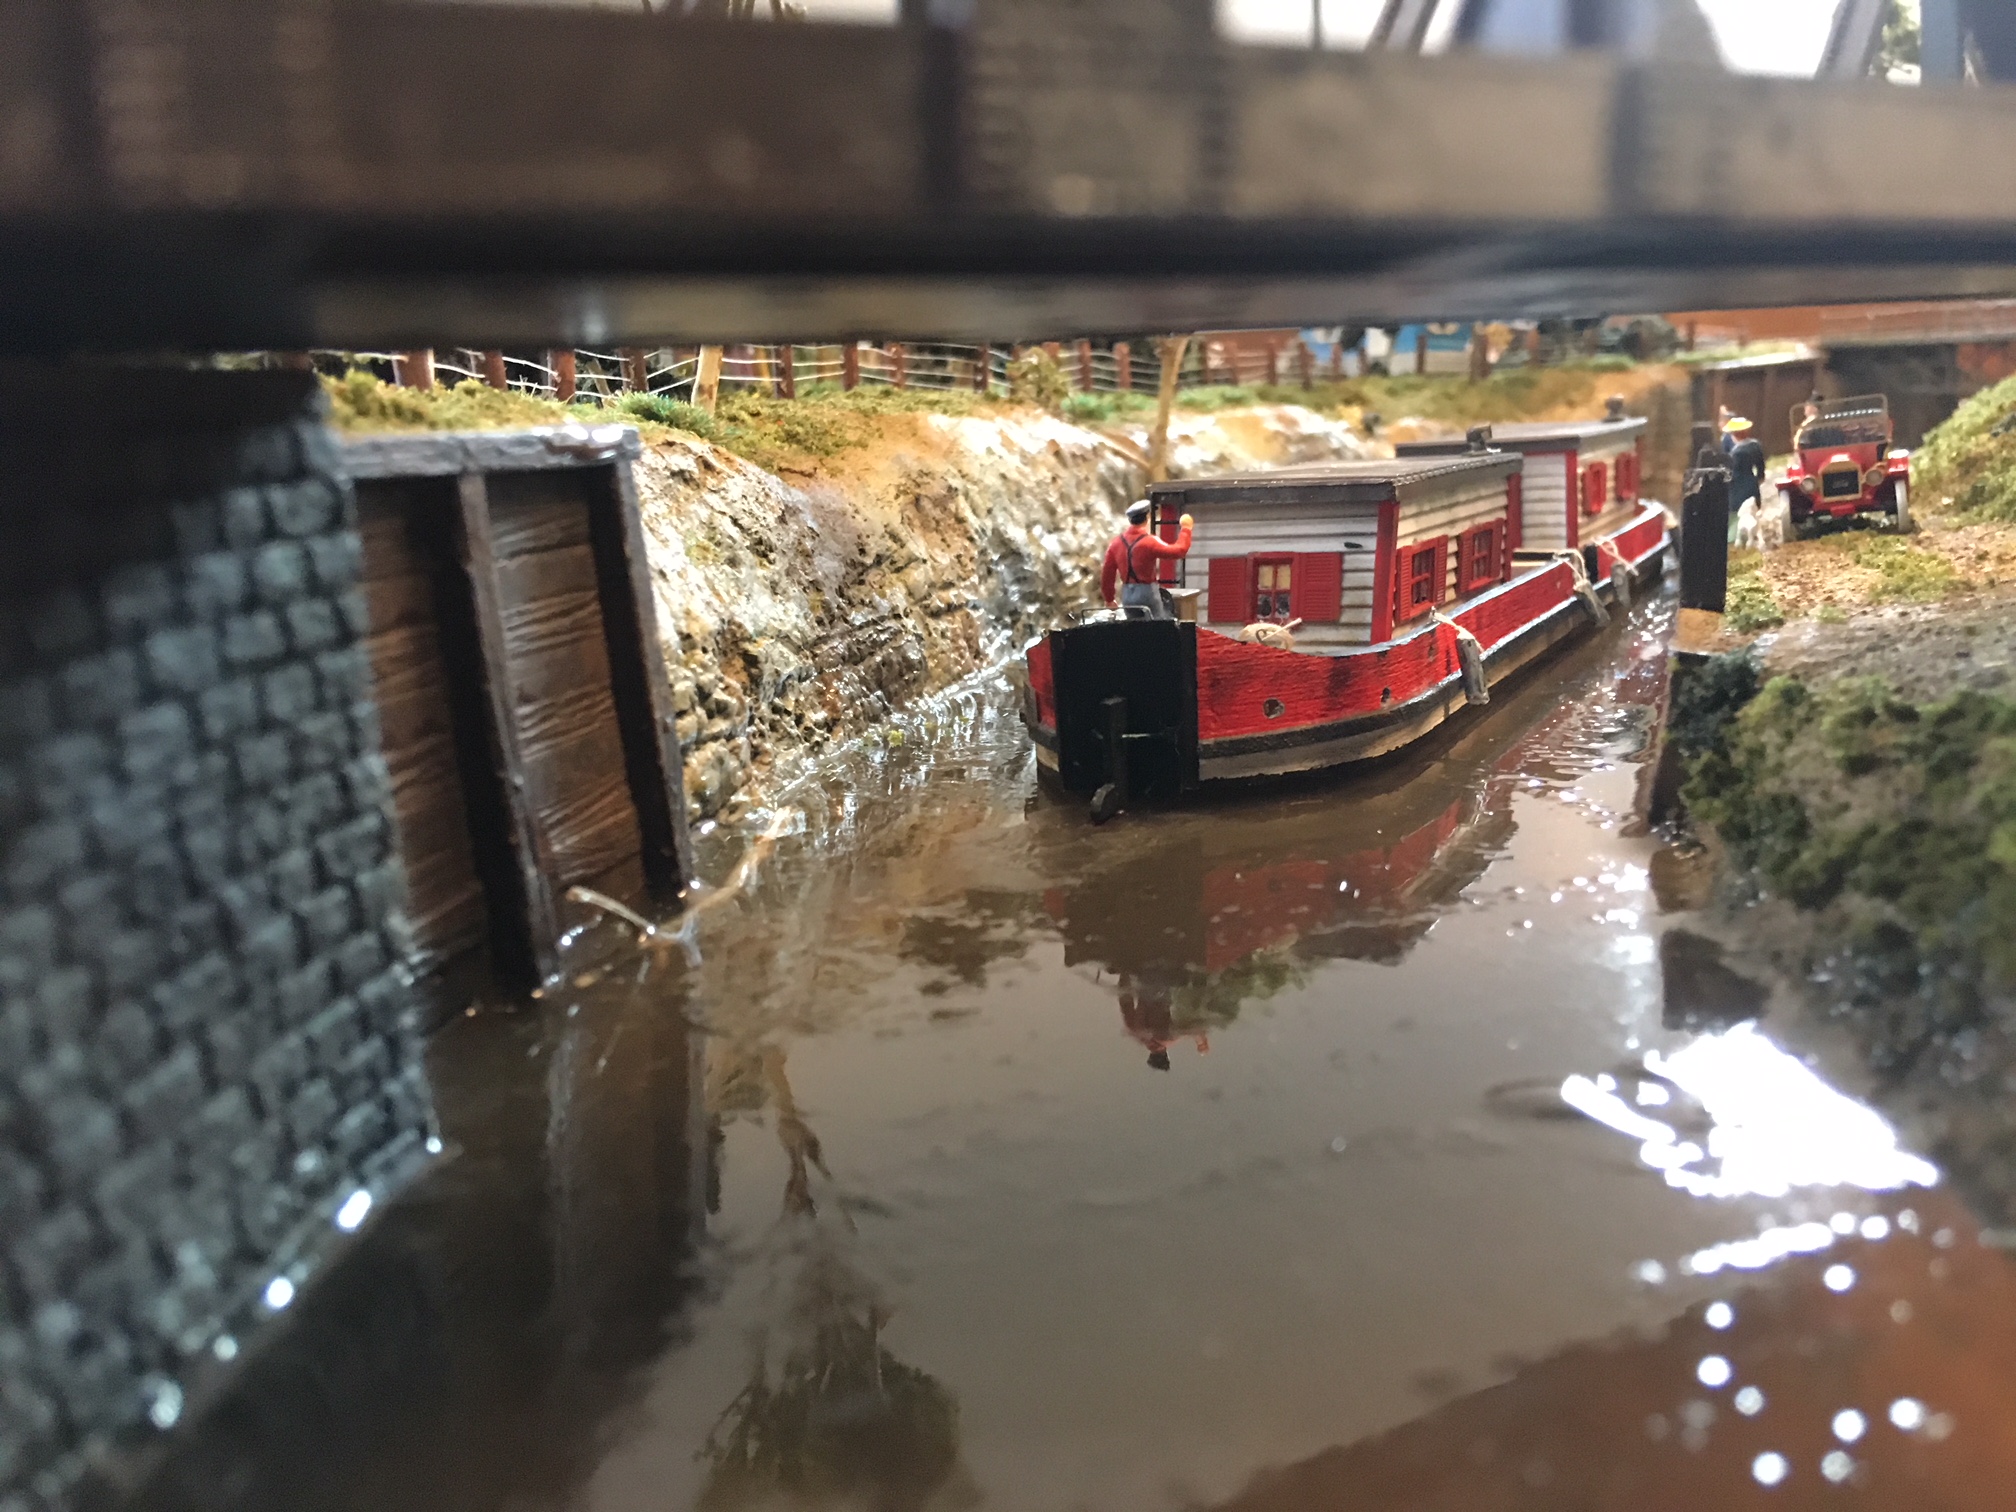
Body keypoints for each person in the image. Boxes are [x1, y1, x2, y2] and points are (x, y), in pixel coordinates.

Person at [1100, 499, 1194, 620]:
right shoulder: (1149, 541)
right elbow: (1179, 551)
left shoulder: (1116, 543)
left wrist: (1109, 599)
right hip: (1147, 592)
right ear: (1147, 517)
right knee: (1158, 625)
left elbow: (1107, 573)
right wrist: (1186, 529)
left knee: (1134, 627)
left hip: (1127, 594)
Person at [1723, 417, 1765, 544]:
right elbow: (1761, 467)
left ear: (1734, 435)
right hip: (1751, 482)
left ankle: (1734, 538)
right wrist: (1759, 478)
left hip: (1737, 487)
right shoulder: (1755, 445)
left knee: (1736, 514)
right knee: (1751, 512)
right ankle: (1753, 536)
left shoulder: (1735, 453)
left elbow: (1731, 472)